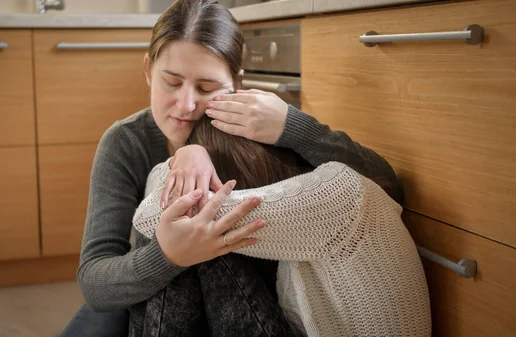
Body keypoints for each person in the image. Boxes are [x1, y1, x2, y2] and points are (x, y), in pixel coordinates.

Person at [58, 0, 402, 336]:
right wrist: (167, 257)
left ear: (236, 83)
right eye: (172, 82)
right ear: (148, 71)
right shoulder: (126, 142)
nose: (187, 104)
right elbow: (96, 283)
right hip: (147, 284)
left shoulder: (256, 128)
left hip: (246, 302)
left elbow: (388, 190)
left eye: (206, 88)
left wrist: (294, 127)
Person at [132, 114, 431, 336]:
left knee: (189, 242)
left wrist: (181, 157)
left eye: (206, 176)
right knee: (187, 242)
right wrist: (186, 156)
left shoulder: (336, 192)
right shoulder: (300, 191)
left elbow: (149, 217)